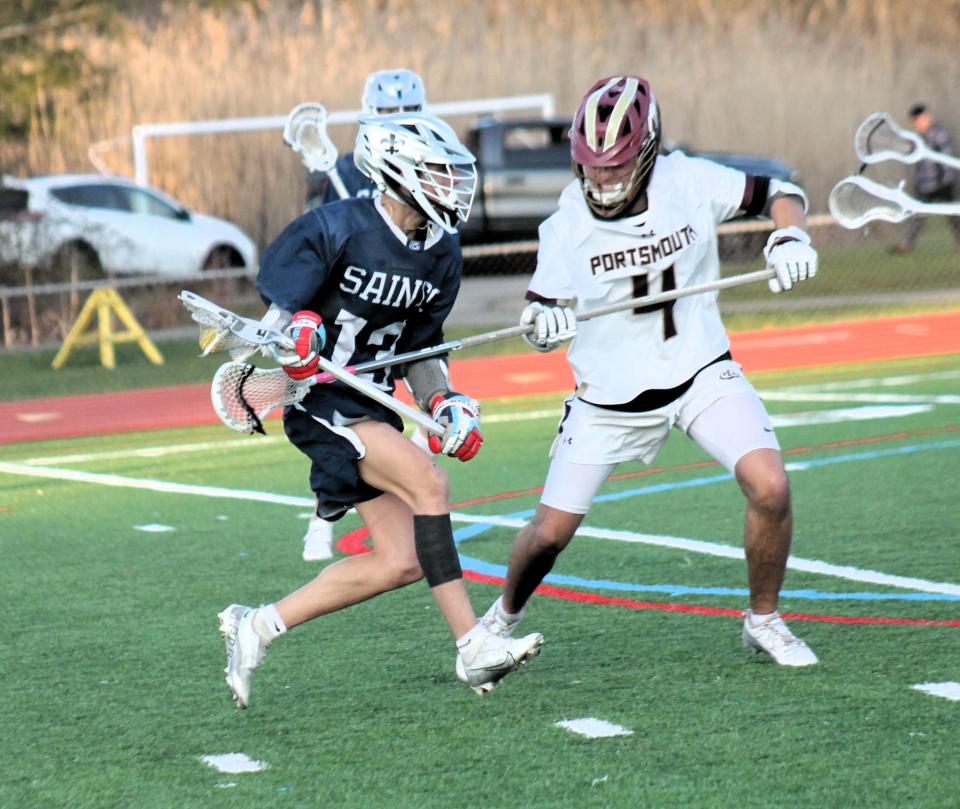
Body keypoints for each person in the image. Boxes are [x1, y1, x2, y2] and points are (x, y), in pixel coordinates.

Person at [475, 75, 820, 668]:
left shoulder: (686, 179)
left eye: (615, 166)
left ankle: (764, 620)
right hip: (608, 398)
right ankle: (500, 617)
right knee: (549, 535)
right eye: (592, 165)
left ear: (648, 151)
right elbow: (542, 312)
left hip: (699, 371)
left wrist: (788, 235)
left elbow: (780, 193)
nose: (602, 179)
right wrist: (544, 323)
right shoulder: (567, 222)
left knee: (771, 485)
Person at [218, 113, 544, 708]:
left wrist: (445, 402)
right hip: (318, 400)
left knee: (399, 562)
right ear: (398, 172)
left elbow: (423, 351)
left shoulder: (441, 252)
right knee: (429, 482)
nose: (451, 188)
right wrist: (296, 335)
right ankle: (473, 647)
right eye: (438, 175)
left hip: (372, 403)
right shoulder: (334, 227)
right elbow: (271, 326)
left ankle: (257, 625)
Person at [300, 68, 431, 562]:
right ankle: (323, 520)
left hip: (404, 309)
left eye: (406, 114)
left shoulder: (431, 167)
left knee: (424, 407)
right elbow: (316, 242)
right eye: (389, 114)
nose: (398, 123)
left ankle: (419, 504)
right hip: (352, 317)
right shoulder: (348, 173)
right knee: (342, 422)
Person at [303, 68, 427, 210]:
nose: (399, 119)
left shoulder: (435, 166)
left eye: (408, 109)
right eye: (390, 111)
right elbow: (328, 227)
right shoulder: (348, 170)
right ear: (371, 110)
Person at [890, 103, 960, 253]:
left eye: (919, 120)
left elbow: (946, 159)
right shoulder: (917, 138)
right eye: (915, 122)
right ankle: (907, 244)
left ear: (926, 118)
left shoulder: (939, 134)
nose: (917, 124)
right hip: (925, 185)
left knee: (954, 215)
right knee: (917, 215)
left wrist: (946, 181)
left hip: (942, 183)